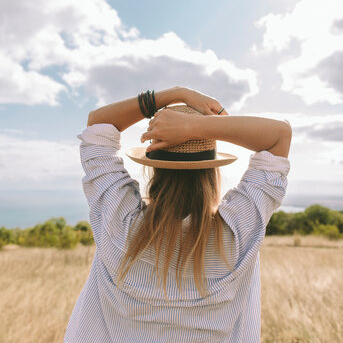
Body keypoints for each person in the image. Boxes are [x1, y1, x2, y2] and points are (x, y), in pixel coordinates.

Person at [63, 86, 292, 343]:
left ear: (153, 169)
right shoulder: (237, 233)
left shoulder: (119, 222)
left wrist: (175, 94)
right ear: (212, 172)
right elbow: (279, 136)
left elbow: (98, 125)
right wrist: (197, 128)